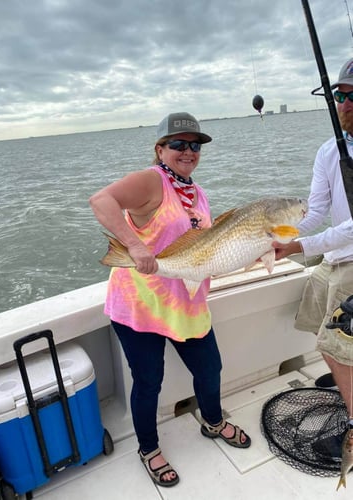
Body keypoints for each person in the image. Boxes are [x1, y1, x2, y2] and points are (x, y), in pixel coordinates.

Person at [89, 112, 251, 487]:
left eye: (194, 145)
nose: (187, 151)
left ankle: (213, 422)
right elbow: (101, 200)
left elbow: (203, 248)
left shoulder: (197, 191)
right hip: (139, 305)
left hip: (187, 305)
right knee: (149, 382)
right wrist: (133, 244)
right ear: (159, 149)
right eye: (178, 144)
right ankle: (149, 449)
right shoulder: (151, 180)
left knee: (209, 369)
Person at [272, 58, 353, 456]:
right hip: (335, 256)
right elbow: (317, 211)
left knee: (337, 345)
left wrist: (299, 247)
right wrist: (277, 236)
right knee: (314, 323)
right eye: (342, 95)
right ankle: (345, 377)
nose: (347, 104)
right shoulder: (329, 150)